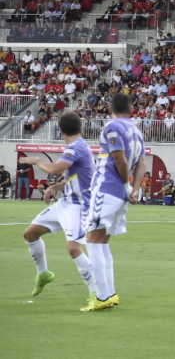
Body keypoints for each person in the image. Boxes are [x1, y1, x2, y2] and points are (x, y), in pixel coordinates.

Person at [20, 112, 99, 308]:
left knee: (74, 248)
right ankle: (43, 274)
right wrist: (55, 187)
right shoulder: (81, 148)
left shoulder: (75, 148)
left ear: (60, 131)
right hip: (65, 203)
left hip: (79, 207)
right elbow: (75, 179)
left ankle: (97, 292)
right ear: (80, 127)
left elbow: (55, 169)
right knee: (30, 234)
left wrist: (37, 161)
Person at [83, 93, 147, 311]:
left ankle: (101, 296)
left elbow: (121, 159)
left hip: (107, 188)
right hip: (120, 194)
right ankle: (109, 294)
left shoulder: (112, 127)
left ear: (110, 107)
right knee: (103, 242)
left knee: (92, 240)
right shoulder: (137, 131)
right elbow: (142, 164)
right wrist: (134, 189)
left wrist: (127, 185)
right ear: (131, 109)